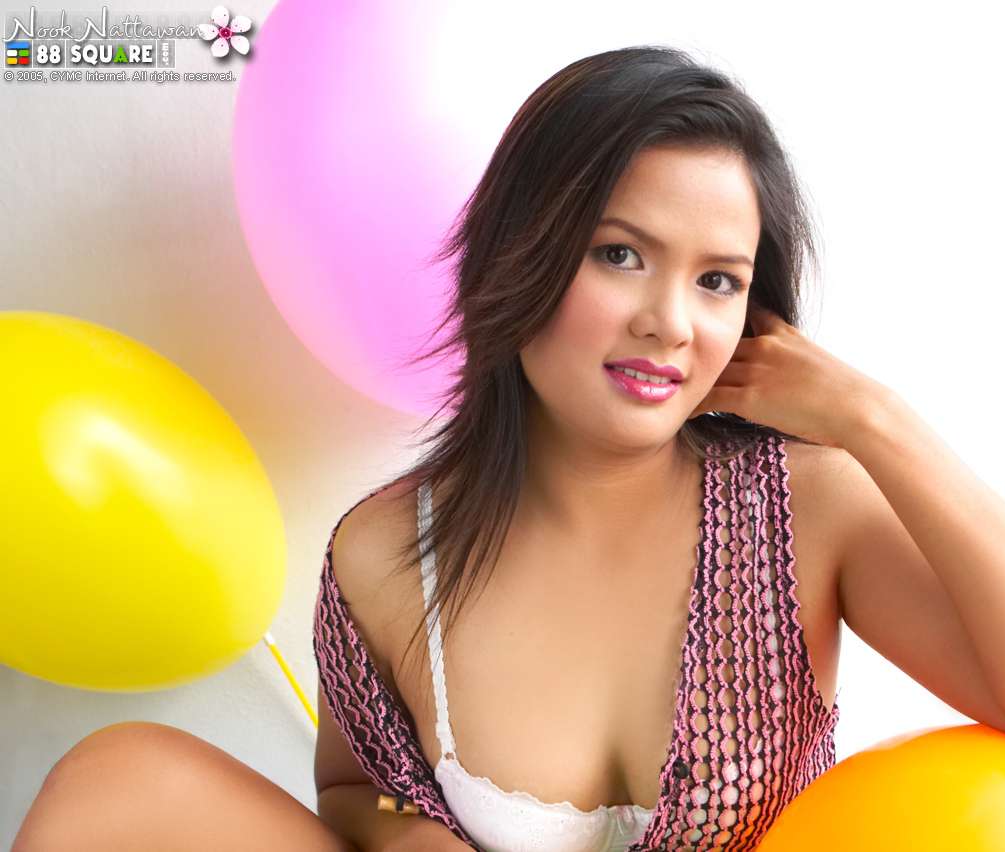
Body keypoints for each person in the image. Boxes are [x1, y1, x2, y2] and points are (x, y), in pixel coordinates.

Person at [15, 44, 851, 851]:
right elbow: (354, 791)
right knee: (117, 781)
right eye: (619, 255)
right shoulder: (383, 551)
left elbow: (956, 708)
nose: (668, 322)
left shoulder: (806, 505)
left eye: (717, 281)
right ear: (520, 250)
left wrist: (866, 415)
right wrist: (410, 834)